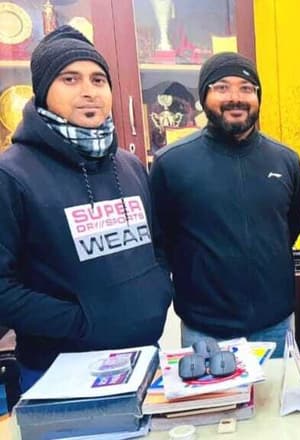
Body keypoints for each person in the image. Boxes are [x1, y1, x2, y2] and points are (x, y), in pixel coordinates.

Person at [0, 26, 173, 391]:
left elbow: (158, 246)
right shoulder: (11, 175)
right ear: (43, 90)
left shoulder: (129, 166)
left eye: (98, 79)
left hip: (144, 360)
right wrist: (82, 321)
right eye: (70, 79)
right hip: (60, 375)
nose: (88, 91)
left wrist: (157, 294)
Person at [150, 53, 300, 357]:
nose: (236, 98)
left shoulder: (286, 160)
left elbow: (290, 227)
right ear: (203, 96)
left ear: (258, 97)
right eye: (222, 87)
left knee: (277, 390)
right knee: (212, 392)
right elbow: (161, 243)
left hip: (276, 324)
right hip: (205, 330)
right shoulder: (172, 163)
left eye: (246, 88)